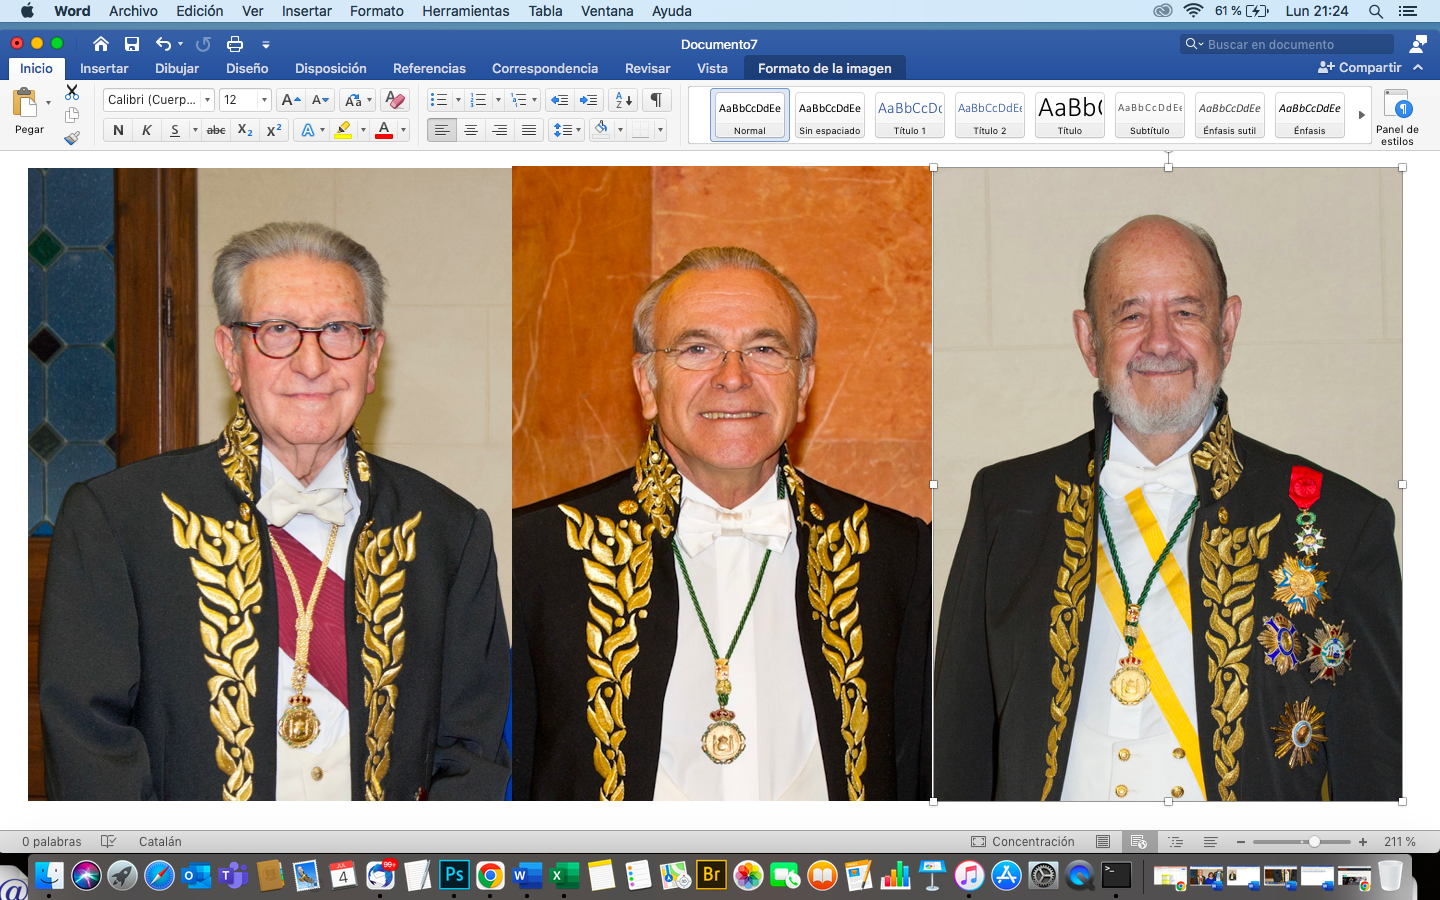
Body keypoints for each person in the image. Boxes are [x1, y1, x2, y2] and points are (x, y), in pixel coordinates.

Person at [935, 215, 1401, 801]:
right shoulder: (1005, 505)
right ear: (1089, 340)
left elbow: (1381, 776)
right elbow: (955, 754)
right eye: (1130, 315)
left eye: (1186, 312)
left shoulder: (1340, 523)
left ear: (1227, 329)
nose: (1160, 341)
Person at [40, 222, 510, 800]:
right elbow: (92, 753)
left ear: (373, 356)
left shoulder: (449, 533)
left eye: (338, 330)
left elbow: (473, 756)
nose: (311, 363)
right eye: (278, 330)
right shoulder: (117, 522)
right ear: (231, 354)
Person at [512, 247, 930, 800]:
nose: (733, 377)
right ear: (646, 383)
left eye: (763, 348)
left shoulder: (899, 558)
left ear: (803, 385)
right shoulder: (533, 553)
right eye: (697, 348)